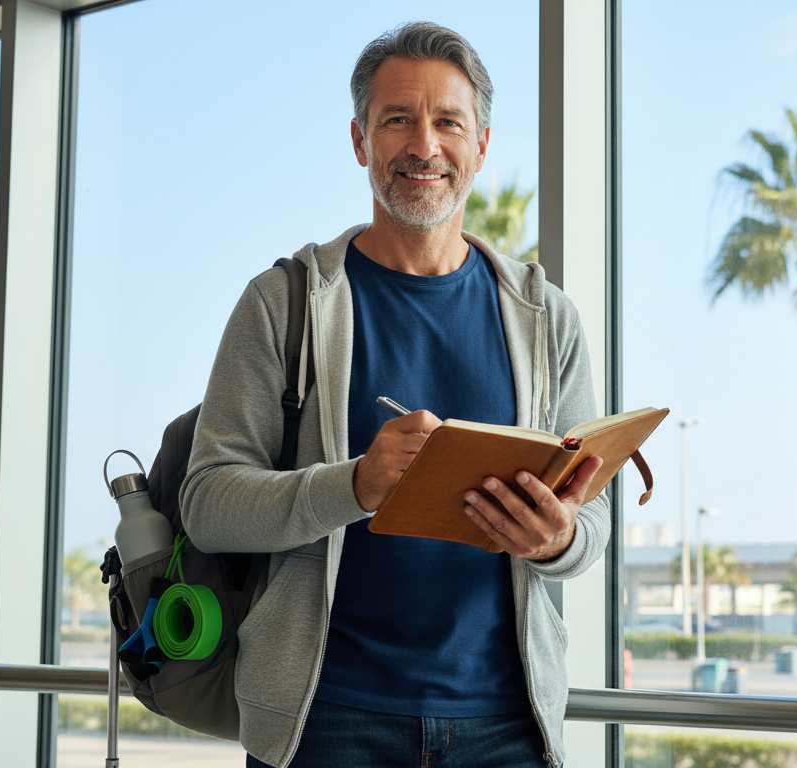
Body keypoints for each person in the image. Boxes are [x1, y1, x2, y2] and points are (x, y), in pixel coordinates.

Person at [179, 21, 607, 768]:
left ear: (481, 146)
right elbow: (208, 505)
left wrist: (559, 540)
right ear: (360, 141)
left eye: (448, 122)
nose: (424, 145)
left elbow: (592, 518)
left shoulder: (546, 315)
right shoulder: (284, 303)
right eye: (397, 120)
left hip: (508, 727)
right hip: (324, 724)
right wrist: (355, 485)